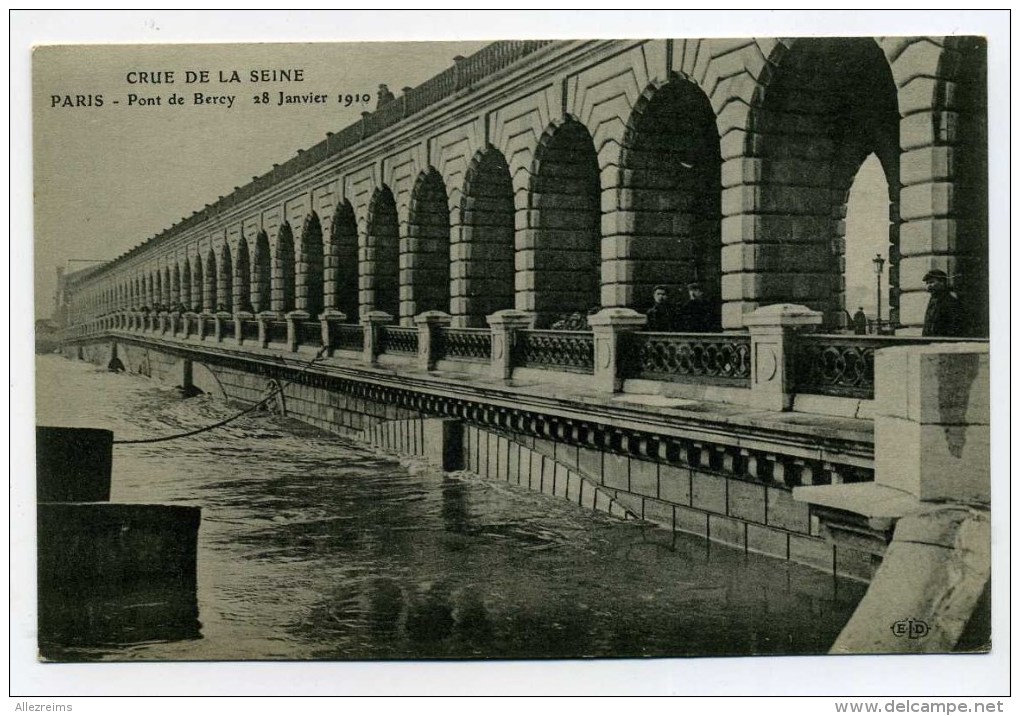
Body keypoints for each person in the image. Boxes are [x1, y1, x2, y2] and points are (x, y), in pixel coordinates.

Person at [922, 269, 964, 337]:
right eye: (927, 283)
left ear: (942, 282)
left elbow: (954, 326)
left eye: (931, 282)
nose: (928, 286)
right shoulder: (933, 300)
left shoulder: (950, 301)